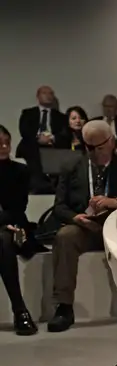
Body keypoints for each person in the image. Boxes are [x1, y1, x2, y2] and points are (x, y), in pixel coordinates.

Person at [48, 120, 117, 332]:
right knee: (65, 236)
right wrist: (76, 218)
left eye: (98, 147)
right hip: (85, 226)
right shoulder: (72, 167)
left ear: (111, 142)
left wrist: (115, 202)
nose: (93, 153)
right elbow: (59, 207)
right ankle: (64, 307)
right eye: (88, 147)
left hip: (116, 225)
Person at [0, 125, 37, 335]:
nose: (5, 147)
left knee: (3, 241)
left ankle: (19, 309)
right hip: (4, 225)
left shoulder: (19, 171)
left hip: (14, 226)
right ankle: (20, 310)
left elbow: (17, 207)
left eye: (7, 142)